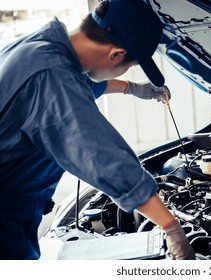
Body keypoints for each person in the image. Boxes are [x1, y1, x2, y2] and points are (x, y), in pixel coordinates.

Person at [0, 0, 195, 260]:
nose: (127, 70)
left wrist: (134, 88)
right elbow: (102, 157)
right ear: (115, 55)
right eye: (130, 64)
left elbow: (77, 82)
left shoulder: (41, 46)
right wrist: (172, 228)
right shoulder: (51, 78)